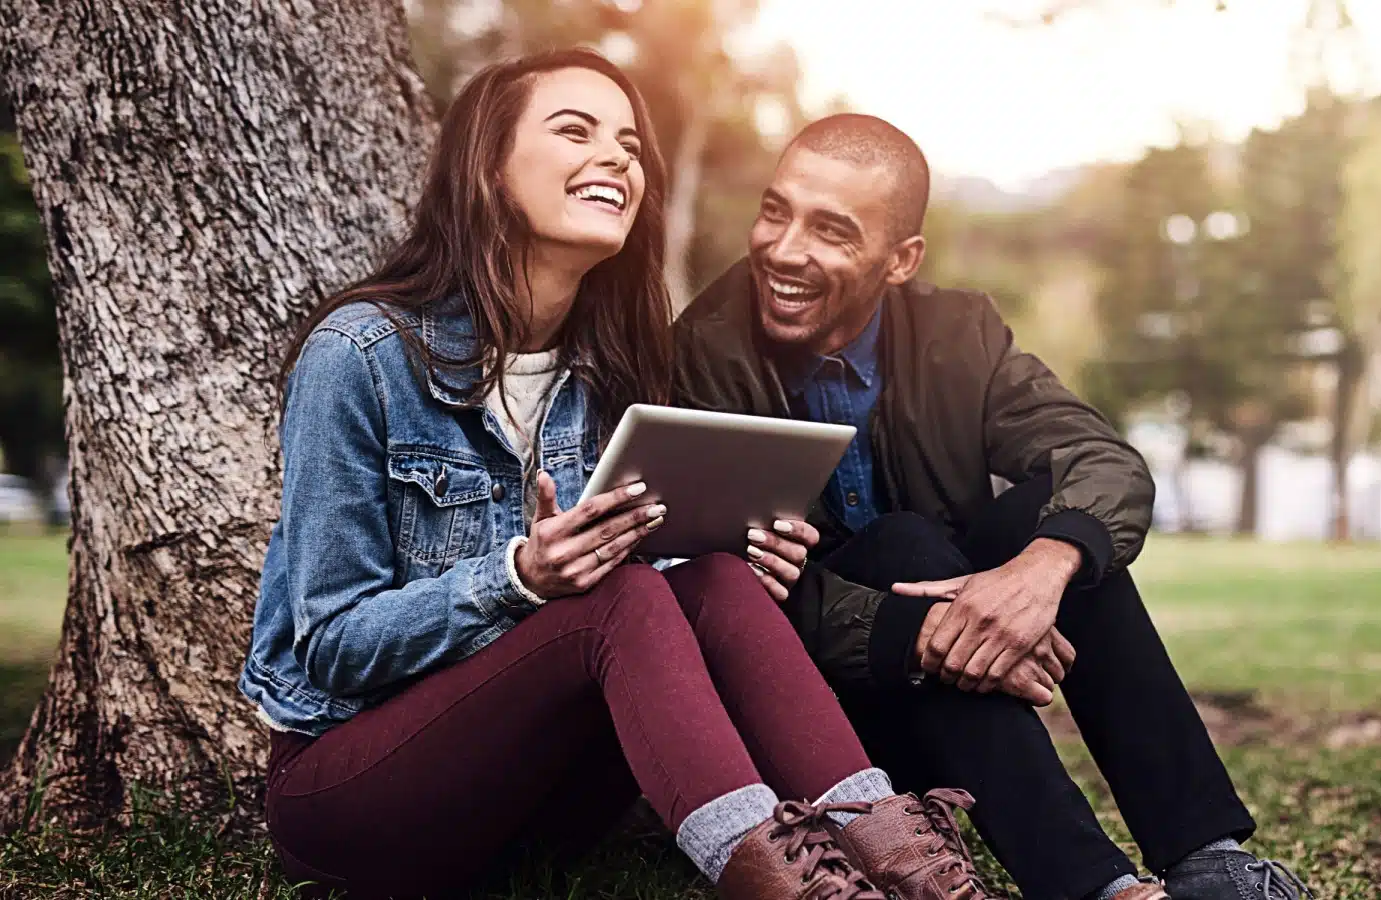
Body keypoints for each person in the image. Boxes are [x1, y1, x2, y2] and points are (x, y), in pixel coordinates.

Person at [239, 54, 993, 900]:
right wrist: (520, 578)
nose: (618, 159)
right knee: (615, 600)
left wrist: (738, 558)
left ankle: (908, 863)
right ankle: (793, 889)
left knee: (709, 577)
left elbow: (662, 607)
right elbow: (335, 647)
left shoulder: (613, 370)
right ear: (489, 168)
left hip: (539, 798)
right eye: (575, 131)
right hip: (358, 794)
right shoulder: (360, 357)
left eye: (630, 144)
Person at [675, 113, 1315, 900]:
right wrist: (933, 629)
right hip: (825, 726)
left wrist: (1041, 573)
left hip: (961, 707)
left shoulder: (962, 334)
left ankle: (1204, 857)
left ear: (901, 259)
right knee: (902, 545)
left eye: (831, 230)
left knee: (1053, 522)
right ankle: (1095, 888)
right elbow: (729, 590)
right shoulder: (703, 354)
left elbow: (1104, 462)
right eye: (775, 211)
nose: (781, 248)